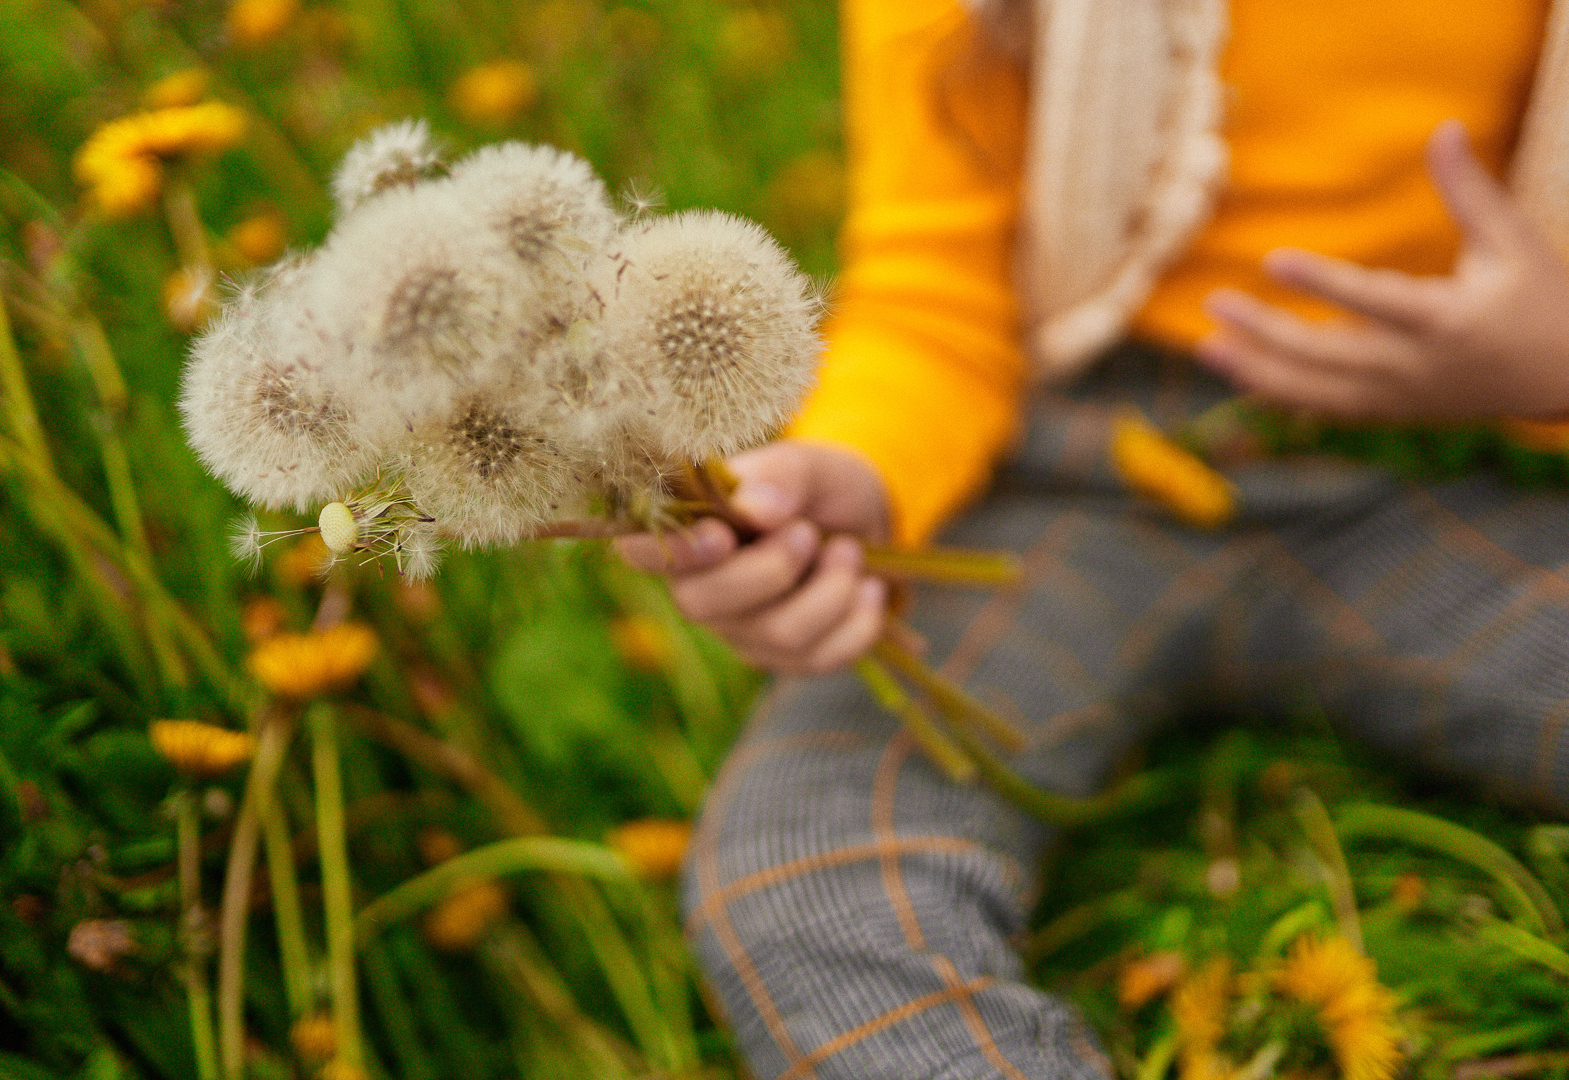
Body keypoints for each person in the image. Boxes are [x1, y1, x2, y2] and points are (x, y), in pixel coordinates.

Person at [617, 1, 1569, 1075]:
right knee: (805, 873)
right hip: (1066, 481)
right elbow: (931, 299)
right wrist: (849, 476)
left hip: (1425, 473)